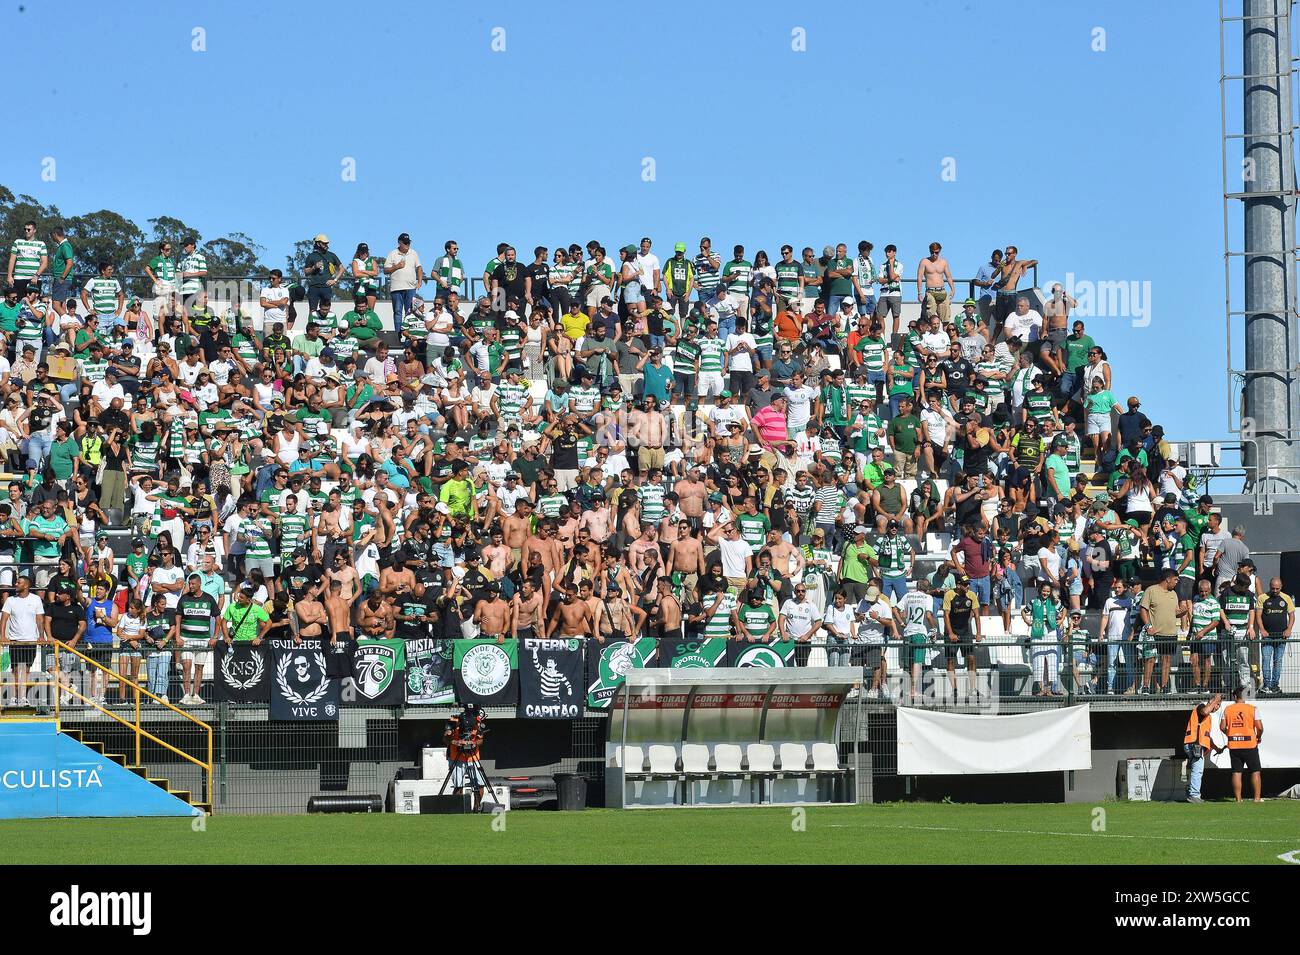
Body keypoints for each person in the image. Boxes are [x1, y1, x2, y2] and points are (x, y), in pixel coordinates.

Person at [0, 575, 47, 707]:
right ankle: (13, 697)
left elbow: (40, 619)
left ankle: (23, 697)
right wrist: (2, 635)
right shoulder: (10, 600)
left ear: (26, 585)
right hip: (15, 641)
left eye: (18, 582)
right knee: (14, 670)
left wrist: (41, 636)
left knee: (26, 670)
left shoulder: (36, 599)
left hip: (30, 641)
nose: (15, 584)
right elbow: (4, 619)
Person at [1219, 685, 1264, 803]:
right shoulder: (1253, 709)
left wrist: (1230, 734)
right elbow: (1259, 727)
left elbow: (1222, 727)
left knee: (1236, 772)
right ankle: (1257, 798)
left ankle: (1238, 799)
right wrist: (1258, 737)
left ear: (1234, 696)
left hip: (1234, 744)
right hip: (1250, 743)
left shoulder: (1228, 709)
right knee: (1255, 771)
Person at [1182, 693, 1224, 803]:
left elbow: (1206, 737)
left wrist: (1216, 748)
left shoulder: (1208, 717)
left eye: (1219, 705)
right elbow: (1205, 711)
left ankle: (1191, 791)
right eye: (1217, 704)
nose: (1217, 707)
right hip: (1195, 744)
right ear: (1211, 701)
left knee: (1196, 770)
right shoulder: (1201, 707)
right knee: (1197, 771)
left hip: (1194, 744)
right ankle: (1194, 795)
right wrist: (1215, 700)